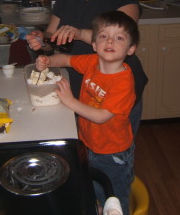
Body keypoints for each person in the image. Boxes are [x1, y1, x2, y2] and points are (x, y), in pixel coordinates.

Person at [26, 0, 148, 136]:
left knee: (115, 150)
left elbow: (124, 36)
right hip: (77, 87)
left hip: (114, 88)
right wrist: (40, 41)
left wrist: (79, 33)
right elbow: (51, 38)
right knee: (84, 148)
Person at [35, 11, 139, 215]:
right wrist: (47, 62)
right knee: (94, 190)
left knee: (114, 200)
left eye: (119, 38)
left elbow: (101, 117)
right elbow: (66, 59)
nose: (110, 41)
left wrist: (70, 101)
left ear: (130, 49)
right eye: (103, 36)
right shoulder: (92, 62)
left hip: (113, 153)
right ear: (94, 44)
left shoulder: (123, 81)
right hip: (89, 143)